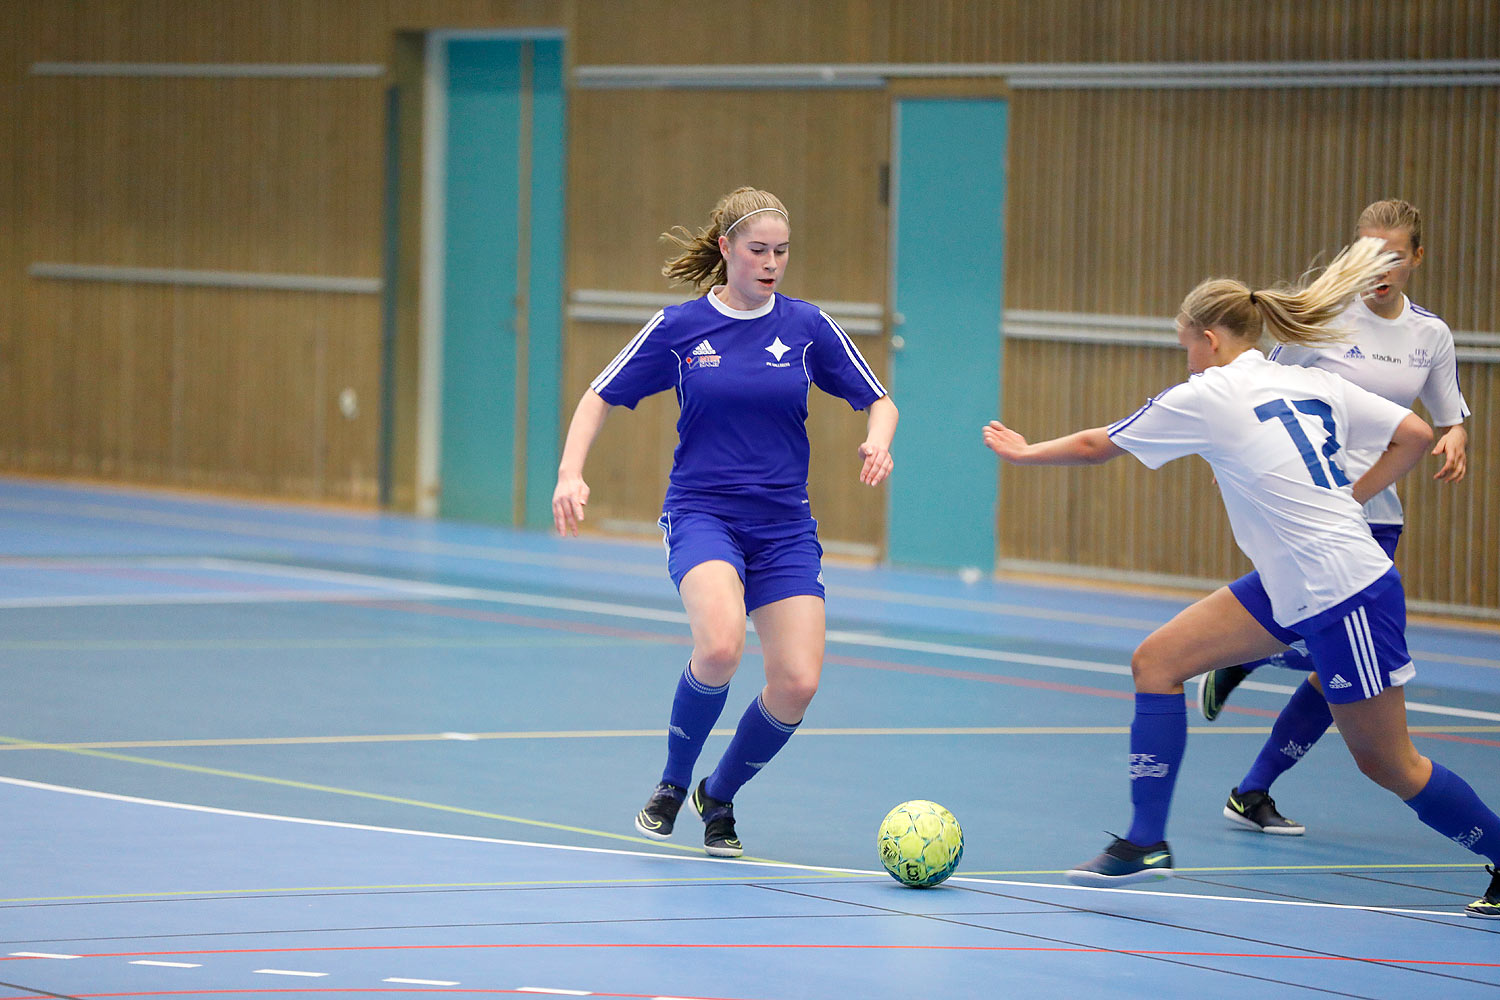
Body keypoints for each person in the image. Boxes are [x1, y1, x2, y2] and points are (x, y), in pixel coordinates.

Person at [982, 237, 1499, 918]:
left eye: (1186, 345)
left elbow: (1095, 445)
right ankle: (1144, 841)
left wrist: (1023, 454)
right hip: (1294, 580)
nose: (1187, 359)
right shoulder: (1314, 381)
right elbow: (1414, 432)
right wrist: (1354, 494)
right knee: (1158, 661)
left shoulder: (1212, 391)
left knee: (1389, 763)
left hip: (1345, 588)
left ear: (1208, 338)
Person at [552, 187, 898, 858]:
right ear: (727, 249)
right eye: (758, 249)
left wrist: (878, 441)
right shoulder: (680, 328)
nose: (771, 262)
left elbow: (879, 401)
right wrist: (571, 471)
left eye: (781, 251)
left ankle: (721, 793)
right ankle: (673, 784)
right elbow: (599, 394)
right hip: (703, 513)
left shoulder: (806, 327)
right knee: (718, 647)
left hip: (784, 528)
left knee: (797, 682)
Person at [1196, 199, 1471, 838]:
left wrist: (1455, 436)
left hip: (1379, 515)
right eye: (1367, 251)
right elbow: (1253, 388)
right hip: (1313, 514)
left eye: (1394, 254)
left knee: (1337, 669)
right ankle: (1245, 668)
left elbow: (1447, 412)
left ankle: (1252, 784)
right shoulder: (1319, 325)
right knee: (1342, 655)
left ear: (1417, 259)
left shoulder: (1430, 335)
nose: (1380, 267)